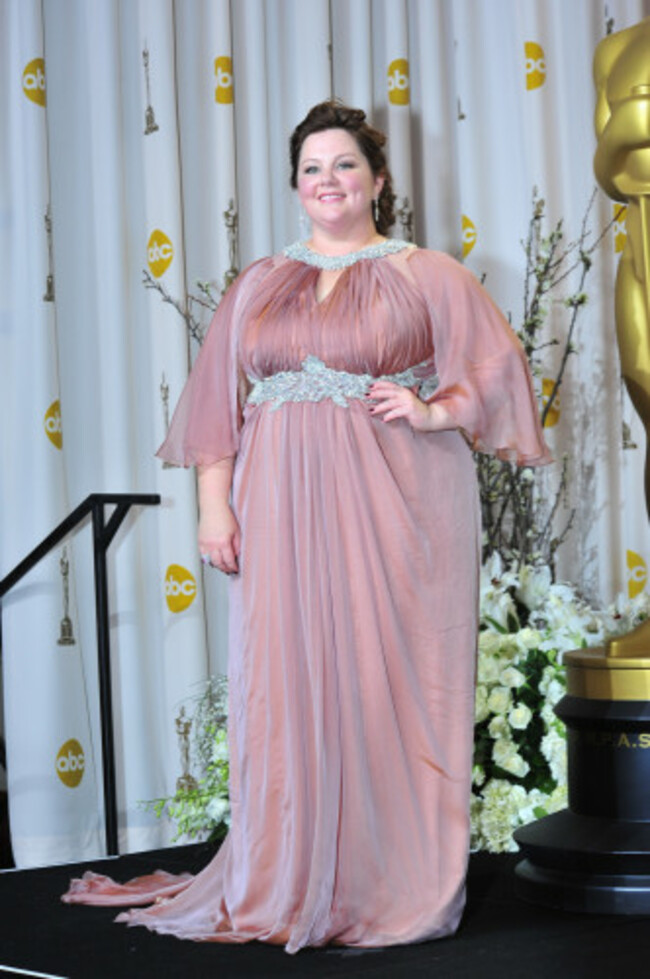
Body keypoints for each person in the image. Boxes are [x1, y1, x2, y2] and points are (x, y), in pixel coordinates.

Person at [62, 101, 551, 953]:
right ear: (295, 187)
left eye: (345, 165)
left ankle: (383, 880)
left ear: (378, 180)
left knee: (383, 679)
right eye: (312, 168)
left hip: (398, 502)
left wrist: (434, 411)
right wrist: (216, 509)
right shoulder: (259, 282)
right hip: (278, 506)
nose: (329, 180)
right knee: (285, 681)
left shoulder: (426, 273)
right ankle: (288, 874)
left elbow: (496, 373)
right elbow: (217, 406)